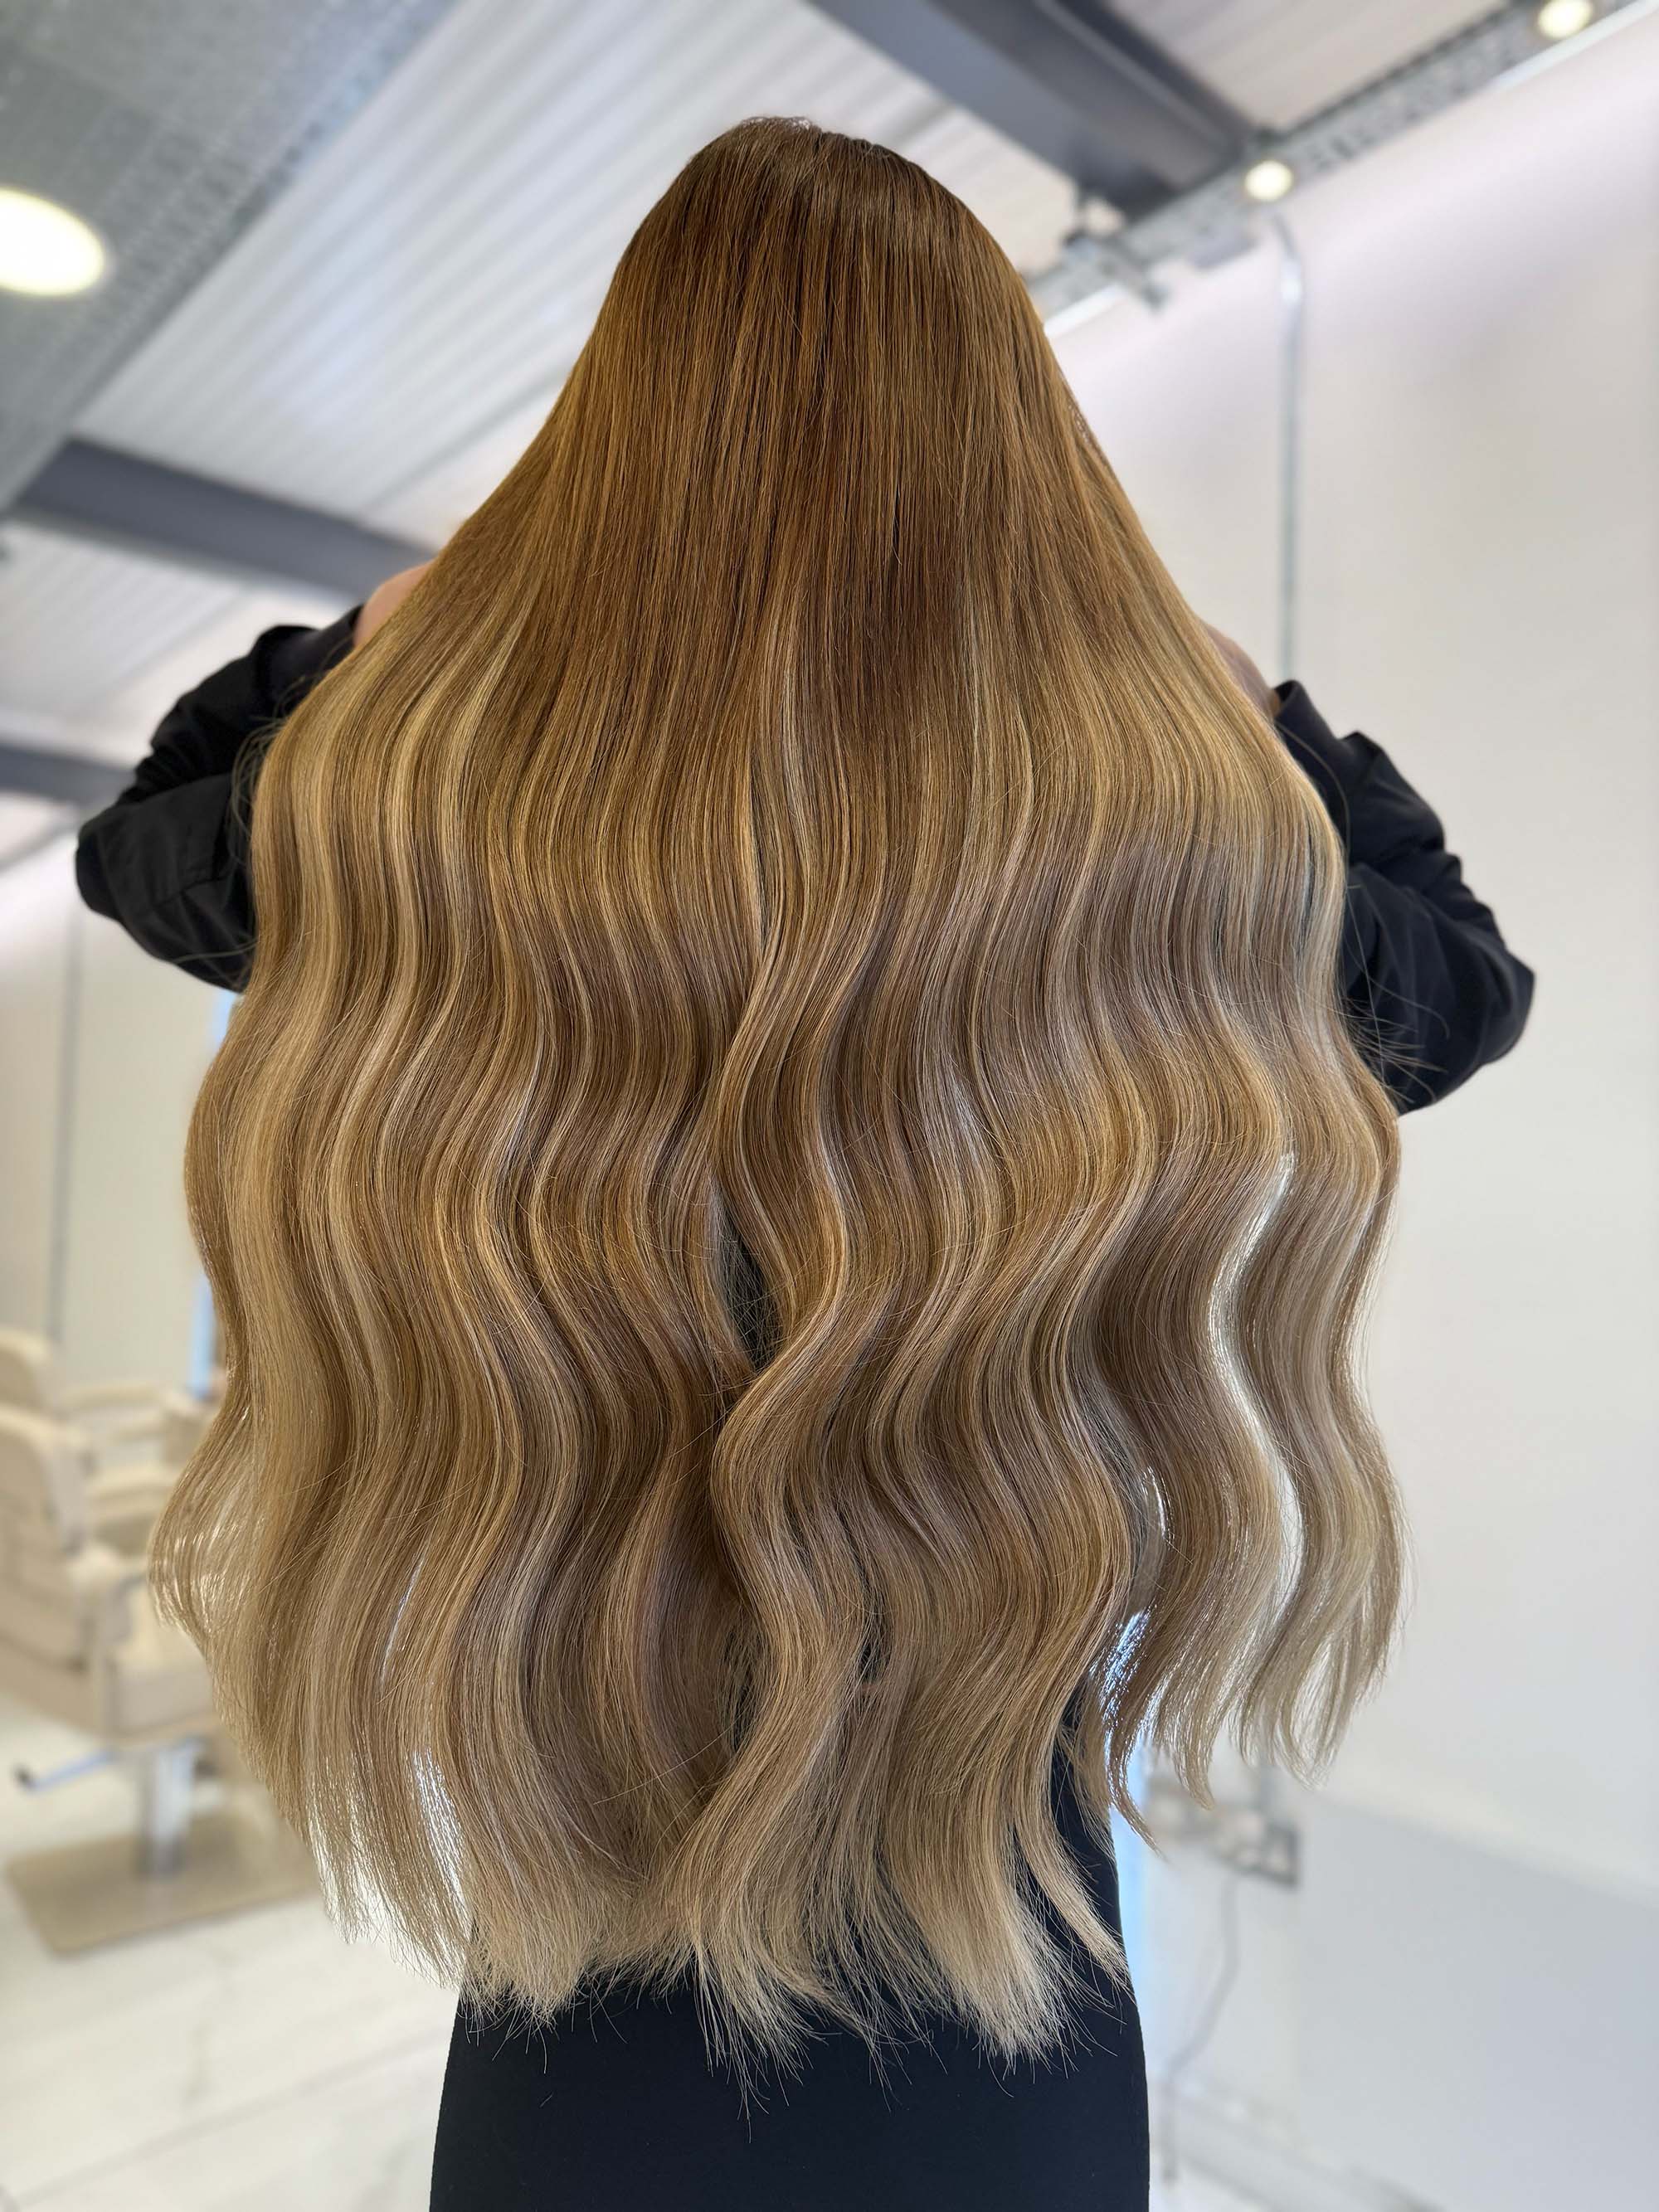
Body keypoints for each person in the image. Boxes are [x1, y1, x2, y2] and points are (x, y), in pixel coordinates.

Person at [73, 119, 1533, 2211]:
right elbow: (1455, 982)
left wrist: (389, 632)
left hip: (586, 1889)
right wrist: (1240, 704)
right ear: (1013, 446)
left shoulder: (449, 835)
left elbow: (154, 837)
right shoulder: (1132, 860)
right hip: (994, 1901)